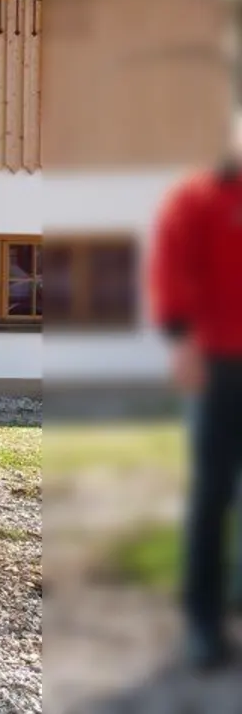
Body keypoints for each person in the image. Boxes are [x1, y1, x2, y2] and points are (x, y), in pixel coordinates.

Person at [149, 114, 242, 671]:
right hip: (218, 365)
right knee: (213, 494)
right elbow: (171, 269)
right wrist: (181, 341)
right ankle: (204, 621)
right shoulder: (198, 199)